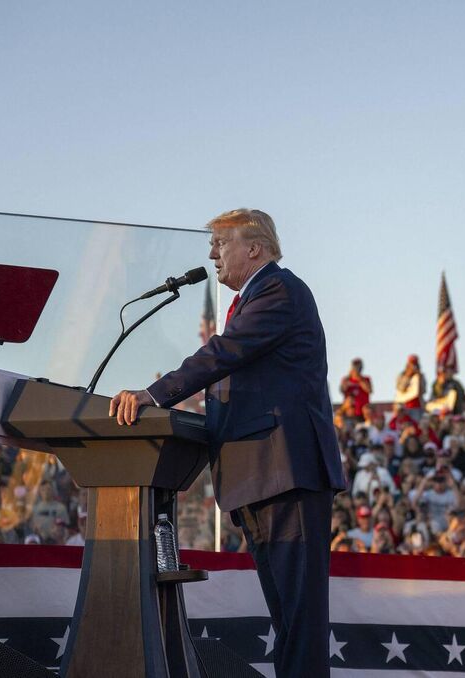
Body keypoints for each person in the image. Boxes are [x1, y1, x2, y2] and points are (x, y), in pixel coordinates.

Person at [109, 208, 345, 677]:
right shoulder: (257, 297)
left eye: (221, 243)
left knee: (300, 623)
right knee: (288, 621)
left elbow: (223, 354)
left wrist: (154, 395)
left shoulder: (279, 289)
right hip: (260, 479)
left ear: (253, 247)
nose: (213, 254)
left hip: (286, 475)